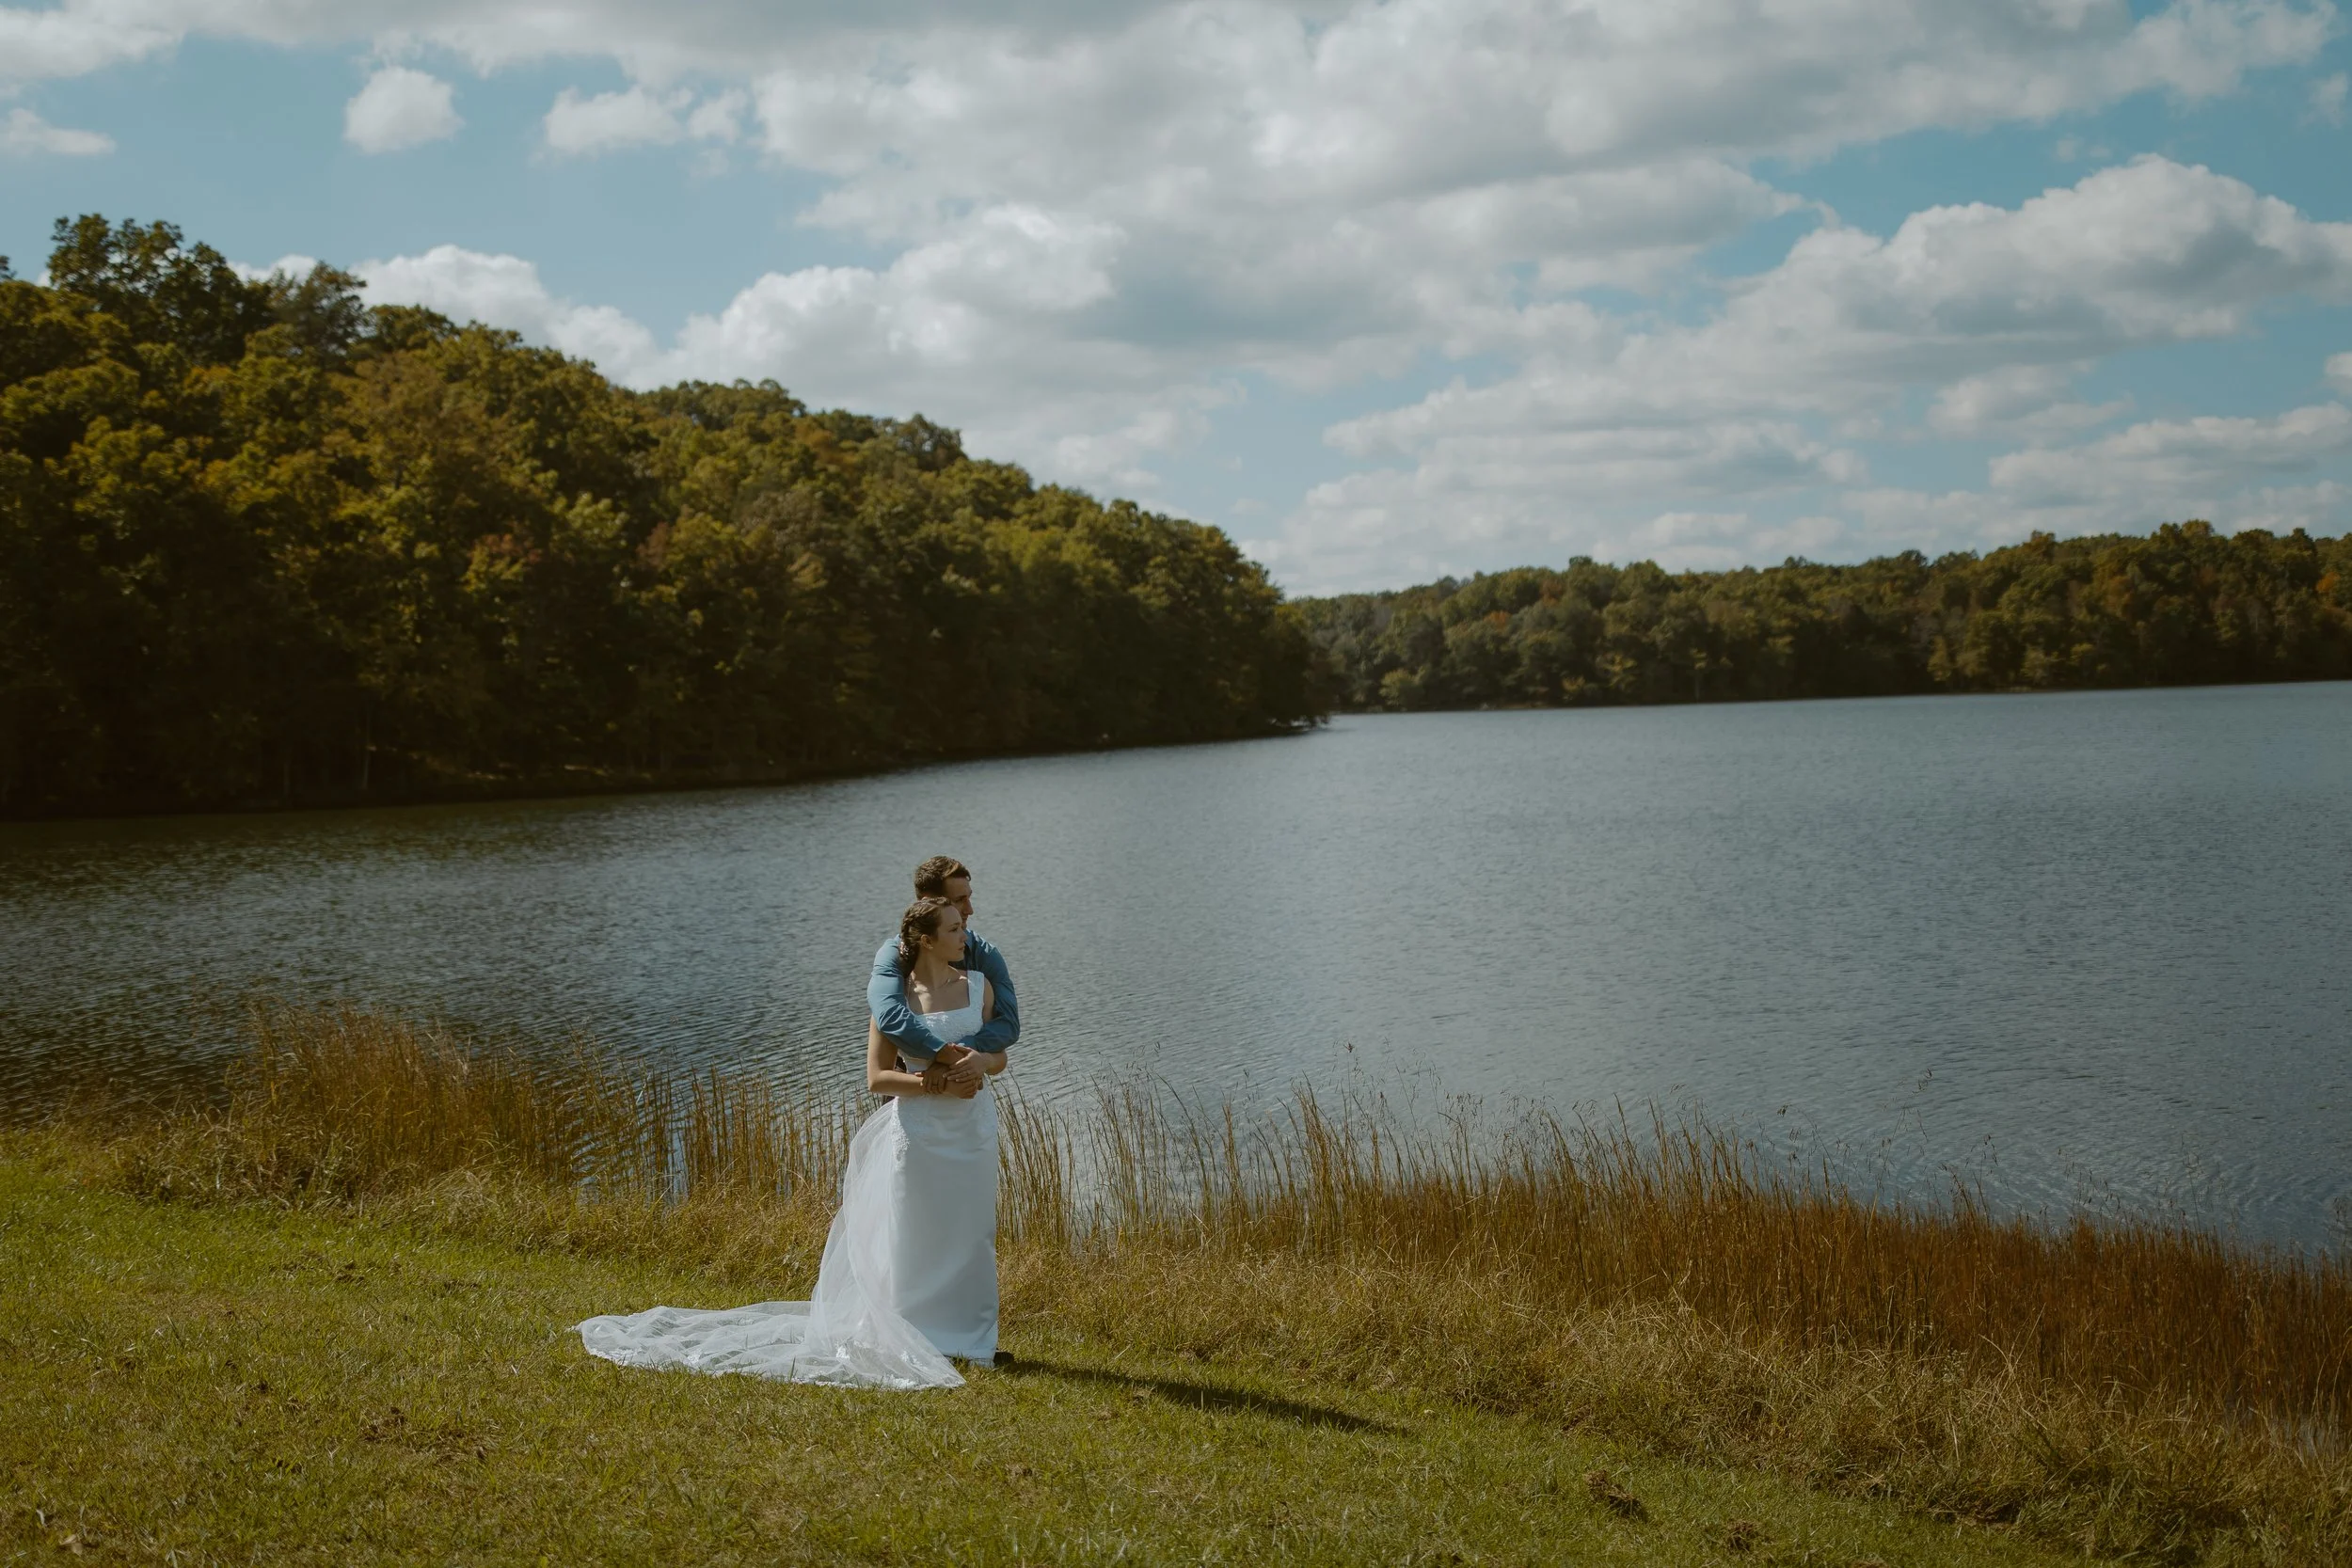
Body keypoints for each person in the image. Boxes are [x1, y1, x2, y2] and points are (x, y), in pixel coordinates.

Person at [573, 892, 1011, 1389]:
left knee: (971, 1229)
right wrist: (934, 1083)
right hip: (921, 1131)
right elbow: (877, 1079)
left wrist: (982, 1061)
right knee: (916, 1231)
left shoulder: (978, 987)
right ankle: (915, 1334)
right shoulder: (894, 1003)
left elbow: (999, 1058)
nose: (965, 935)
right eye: (954, 928)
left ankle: (973, 1340)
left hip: (972, 1128)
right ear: (927, 941)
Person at [870, 855, 1018, 1070]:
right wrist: (941, 1053)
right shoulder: (892, 956)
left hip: (967, 1075)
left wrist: (958, 1053)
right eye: (959, 900)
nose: (970, 909)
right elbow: (889, 1015)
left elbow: (1008, 1025)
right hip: (909, 1078)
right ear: (928, 902)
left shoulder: (984, 955)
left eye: (969, 897)